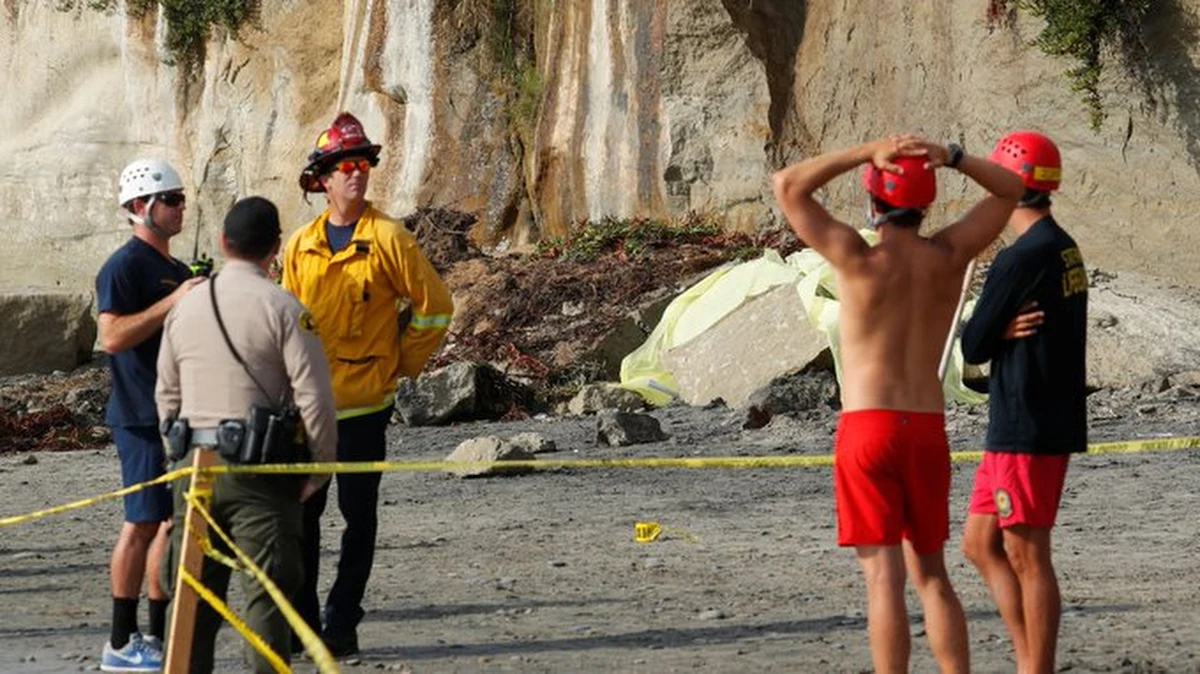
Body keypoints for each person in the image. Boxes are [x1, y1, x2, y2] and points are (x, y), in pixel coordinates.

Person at [772, 134, 1024, 673]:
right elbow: (1011, 189)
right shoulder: (949, 255)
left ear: (873, 201)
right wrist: (952, 156)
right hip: (925, 427)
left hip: (868, 426)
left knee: (883, 580)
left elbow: (788, 185)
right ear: (927, 203)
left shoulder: (856, 257)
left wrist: (865, 151)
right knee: (931, 575)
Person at [283, 111, 454, 656]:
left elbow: (435, 307)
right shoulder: (300, 245)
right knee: (302, 518)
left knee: (358, 518)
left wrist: (399, 364)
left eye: (362, 163)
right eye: (345, 166)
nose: (356, 173)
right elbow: (286, 320)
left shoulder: (388, 238)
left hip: (363, 408)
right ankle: (302, 622)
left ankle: (342, 621)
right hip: (309, 409)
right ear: (323, 180)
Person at [156, 196, 338, 672]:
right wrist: (320, 469)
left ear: (222, 242)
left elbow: (166, 394)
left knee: (190, 599)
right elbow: (315, 397)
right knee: (267, 598)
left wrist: (174, 460)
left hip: (193, 465)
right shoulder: (285, 308)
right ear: (275, 248)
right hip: (261, 472)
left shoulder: (186, 306)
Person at [960, 130, 1086, 674]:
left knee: (1028, 554)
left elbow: (973, 345)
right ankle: (1026, 657)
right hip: (1024, 416)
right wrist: (1001, 329)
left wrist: (993, 328)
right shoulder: (1062, 246)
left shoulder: (1021, 258)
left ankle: (1038, 667)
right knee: (979, 544)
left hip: (1027, 423)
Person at [96, 158, 204, 672]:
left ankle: (159, 636)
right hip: (138, 415)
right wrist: (175, 301)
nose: (181, 208)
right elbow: (112, 336)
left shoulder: (177, 271)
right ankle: (120, 639)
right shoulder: (123, 267)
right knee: (140, 523)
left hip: (175, 414)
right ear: (141, 206)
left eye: (182, 199)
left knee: (168, 523)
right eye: (172, 200)